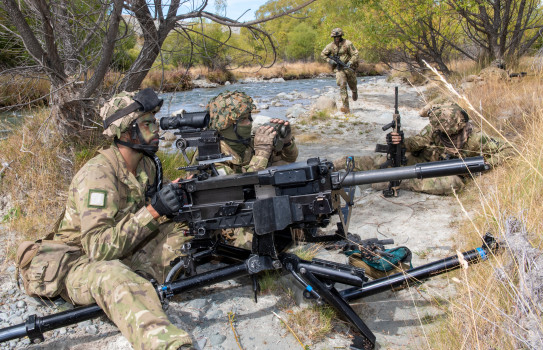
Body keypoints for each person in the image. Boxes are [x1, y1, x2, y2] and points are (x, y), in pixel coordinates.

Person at [19, 89, 194, 349]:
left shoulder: (146, 164)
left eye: (155, 122)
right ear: (126, 132)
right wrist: (154, 210)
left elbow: (152, 212)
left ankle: (142, 283)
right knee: (115, 276)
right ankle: (167, 343)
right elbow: (97, 249)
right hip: (80, 261)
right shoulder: (98, 175)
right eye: (148, 124)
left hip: (123, 248)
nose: (157, 129)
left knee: (189, 230)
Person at [191, 90, 299, 247]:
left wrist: (287, 141)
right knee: (252, 242)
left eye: (249, 117)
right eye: (243, 119)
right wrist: (262, 152)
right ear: (227, 125)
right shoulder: (211, 155)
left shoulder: (246, 143)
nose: (250, 122)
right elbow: (238, 187)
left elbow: (288, 161)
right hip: (226, 219)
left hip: (252, 206)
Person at [334, 102, 514, 195]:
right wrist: (400, 142)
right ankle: (341, 163)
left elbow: (510, 150)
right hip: (424, 161)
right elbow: (417, 142)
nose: (441, 134)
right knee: (381, 162)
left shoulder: (476, 139)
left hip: (448, 172)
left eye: (446, 132)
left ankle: (400, 181)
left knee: (452, 184)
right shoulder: (434, 130)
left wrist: (486, 164)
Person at [320, 27, 359, 114]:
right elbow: (323, 54)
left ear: (341, 36)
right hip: (339, 69)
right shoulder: (330, 46)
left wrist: (351, 61)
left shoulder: (348, 43)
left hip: (349, 68)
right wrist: (330, 60)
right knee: (342, 85)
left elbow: (356, 54)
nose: (337, 38)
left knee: (353, 84)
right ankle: (346, 108)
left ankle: (354, 92)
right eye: (335, 37)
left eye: (338, 37)